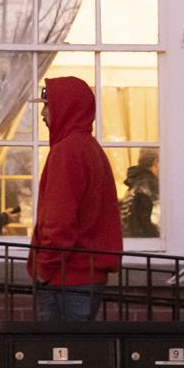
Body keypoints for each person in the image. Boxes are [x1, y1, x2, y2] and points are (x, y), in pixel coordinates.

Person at [27, 76, 122, 321]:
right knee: (77, 353)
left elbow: (59, 221)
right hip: (85, 276)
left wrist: (45, 269)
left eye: (48, 105)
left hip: (66, 277)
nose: (43, 113)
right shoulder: (89, 148)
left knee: (56, 354)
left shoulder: (67, 152)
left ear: (65, 107)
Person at [120, 148, 160, 239]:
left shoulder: (134, 184)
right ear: (156, 161)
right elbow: (157, 222)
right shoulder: (150, 185)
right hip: (147, 244)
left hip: (132, 242)